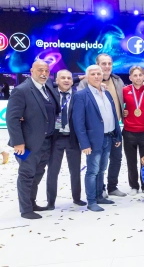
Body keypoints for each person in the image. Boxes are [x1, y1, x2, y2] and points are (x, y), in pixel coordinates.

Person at [6, 60, 60, 219]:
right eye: (40, 70)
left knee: (37, 173)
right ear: (31, 71)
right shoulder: (21, 91)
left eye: (47, 71)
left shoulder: (48, 86)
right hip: (27, 144)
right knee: (26, 174)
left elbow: (61, 84)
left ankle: (31, 202)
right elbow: (12, 119)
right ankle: (26, 209)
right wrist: (18, 142)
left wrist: (82, 77)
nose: (44, 73)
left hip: (46, 141)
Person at [72, 65, 122, 212]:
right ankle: (91, 200)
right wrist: (84, 143)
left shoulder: (106, 93)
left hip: (108, 137)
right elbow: (78, 122)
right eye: (93, 74)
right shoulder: (81, 95)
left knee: (101, 170)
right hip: (93, 141)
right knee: (92, 171)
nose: (96, 76)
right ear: (87, 77)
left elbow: (113, 115)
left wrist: (117, 135)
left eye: (98, 74)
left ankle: (100, 196)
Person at [46, 69, 86, 210]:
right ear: (56, 80)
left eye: (69, 78)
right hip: (55, 139)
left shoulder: (78, 96)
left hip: (72, 139)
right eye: (63, 78)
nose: (66, 80)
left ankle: (77, 198)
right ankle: (50, 202)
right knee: (53, 171)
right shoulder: (50, 93)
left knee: (75, 171)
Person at [122, 66, 144, 196]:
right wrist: (123, 112)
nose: (138, 78)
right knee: (131, 161)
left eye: (140, 75)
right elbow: (119, 106)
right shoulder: (124, 90)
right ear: (130, 78)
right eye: (135, 75)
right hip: (129, 131)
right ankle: (134, 186)